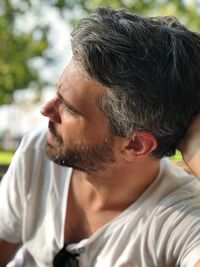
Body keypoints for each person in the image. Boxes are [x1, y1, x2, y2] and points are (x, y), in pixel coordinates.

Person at [0, 6, 200, 267]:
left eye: (69, 108)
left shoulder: (183, 221)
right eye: (57, 94)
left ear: (135, 144)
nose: (47, 110)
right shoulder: (38, 150)